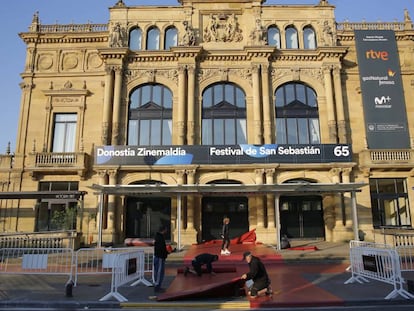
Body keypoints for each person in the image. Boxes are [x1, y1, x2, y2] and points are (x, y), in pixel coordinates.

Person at [153, 225, 169, 293]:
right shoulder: (159, 237)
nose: (167, 231)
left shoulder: (159, 237)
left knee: (160, 272)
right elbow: (161, 248)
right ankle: (157, 286)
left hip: (160, 256)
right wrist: (165, 253)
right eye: (166, 229)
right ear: (164, 230)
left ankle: (158, 285)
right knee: (159, 272)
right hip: (159, 257)